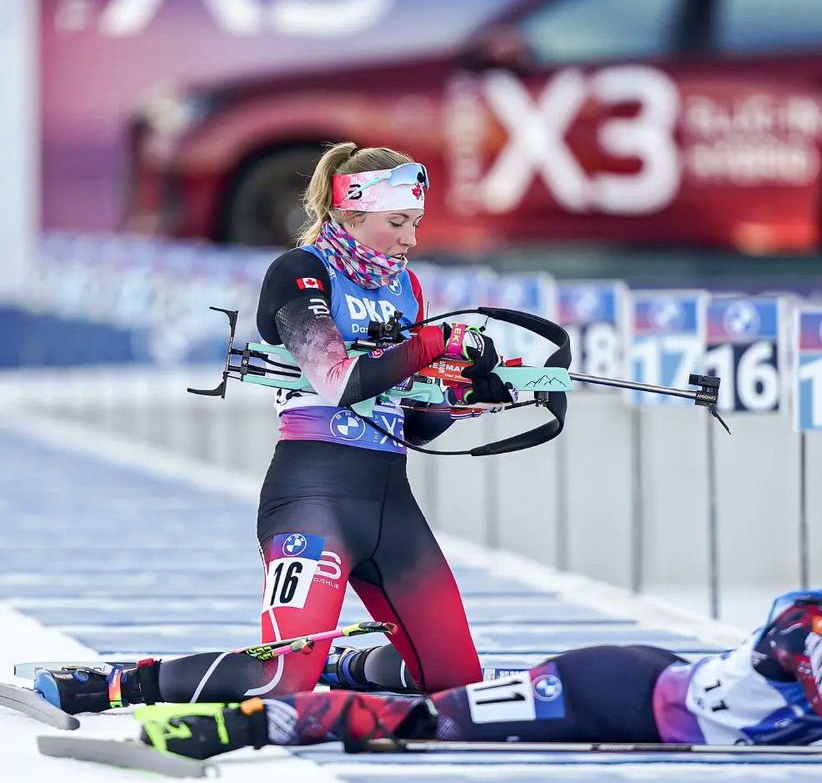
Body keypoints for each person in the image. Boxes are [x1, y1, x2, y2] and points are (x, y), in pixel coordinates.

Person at [38, 144, 516, 715]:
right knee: (283, 680)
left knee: (453, 680)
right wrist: (438, 344)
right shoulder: (299, 272)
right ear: (351, 211)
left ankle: (343, 665)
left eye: (415, 223)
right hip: (314, 497)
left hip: (390, 501)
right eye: (397, 222)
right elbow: (338, 380)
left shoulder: (405, 289)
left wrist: (470, 399)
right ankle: (111, 684)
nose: (411, 239)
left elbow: (409, 424)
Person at [132, 494, 822, 759]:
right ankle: (227, 719)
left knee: (423, 711)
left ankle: (233, 710)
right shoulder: (814, 622)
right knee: (427, 721)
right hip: (617, 688)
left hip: (654, 715)